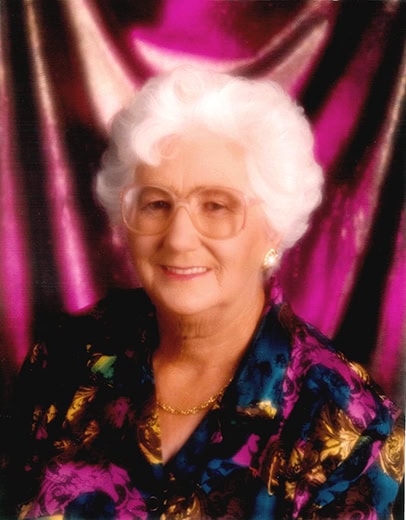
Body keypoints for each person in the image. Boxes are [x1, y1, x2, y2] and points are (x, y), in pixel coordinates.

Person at [5, 66, 404, 519]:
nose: (178, 239)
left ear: (274, 228)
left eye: (216, 206)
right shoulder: (64, 357)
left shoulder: (353, 428)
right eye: (156, 203)